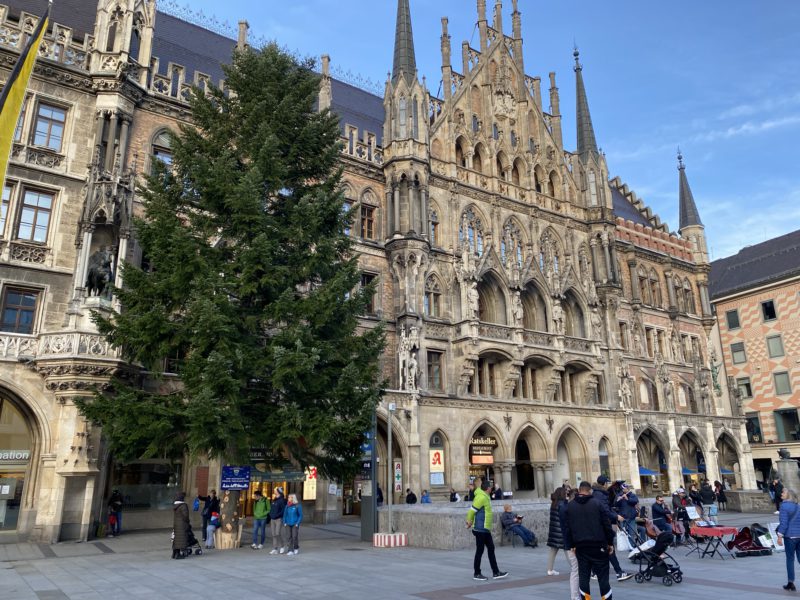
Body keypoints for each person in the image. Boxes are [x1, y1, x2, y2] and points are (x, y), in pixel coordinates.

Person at [564, 481, 615, 600]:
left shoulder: (570, 506)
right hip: (599, 546)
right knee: (603, 577)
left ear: (579, 490)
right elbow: (606, 524)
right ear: (589, 491)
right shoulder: (597, 503)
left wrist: (571, 545)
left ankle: (586, 598)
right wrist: (610, 543)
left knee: (584, 576)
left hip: (581, 546)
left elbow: (567, 527)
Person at [465, 478, 508, 581]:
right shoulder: (481, 497)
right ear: (488, 488)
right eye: (491, 487)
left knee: (491, 549)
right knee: (480, 551)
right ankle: (477, 573)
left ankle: (496, 572)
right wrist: (469, 521)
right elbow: (471, 511)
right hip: (480, 529)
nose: (492, 489)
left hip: (485, 529)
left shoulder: (485, 496)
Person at [591, 475, 632, 582]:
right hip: (602, 526)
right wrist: (616, 516)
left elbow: (607, 508)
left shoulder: (597, 493)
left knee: (603, 550)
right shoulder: (600, 495)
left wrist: (615, 515)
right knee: (609, 549)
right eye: (607, 483)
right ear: (604, 484)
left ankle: (595, 572)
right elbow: (605, 510)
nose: (609, 485)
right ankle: (619, 573)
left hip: (599, 525)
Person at [545, 486, 579, 600]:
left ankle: (550, 570)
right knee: (567, 549)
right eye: (565, 492)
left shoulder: (553, 503)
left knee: (553, 551)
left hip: (554, 531)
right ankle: (575, 567)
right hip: (561, 532)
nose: (566, 494)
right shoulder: (562, 504)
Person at [777, 488, 800, 591]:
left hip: (790, 537)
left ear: (788, 495)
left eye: (783, 492)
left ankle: (791, 583)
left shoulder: (784, 506)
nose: (781, 494)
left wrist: (779, 536)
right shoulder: (798, 506)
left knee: (790, 559)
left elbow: (784, 523)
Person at [171, 491, 191, 559]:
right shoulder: (183, 506)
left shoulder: (175, 506)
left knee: (176, 539)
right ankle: (178, 555)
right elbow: (186, 516)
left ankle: (174, 553)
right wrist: (188, 521)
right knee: (181, 539)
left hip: (176, 524)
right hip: (182, 525)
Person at [269, 487, 287, 554]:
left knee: (277, 533)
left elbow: (283, 510)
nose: (274, 491)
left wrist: (277, 515)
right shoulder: (274, 499)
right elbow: (271, 509)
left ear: (279, 492)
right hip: (272, 519)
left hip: (278, 519)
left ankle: (282, 546)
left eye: (275, 490)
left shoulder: (282, 500)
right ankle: (275, 548)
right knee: (273, 534)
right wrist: (270, 514)